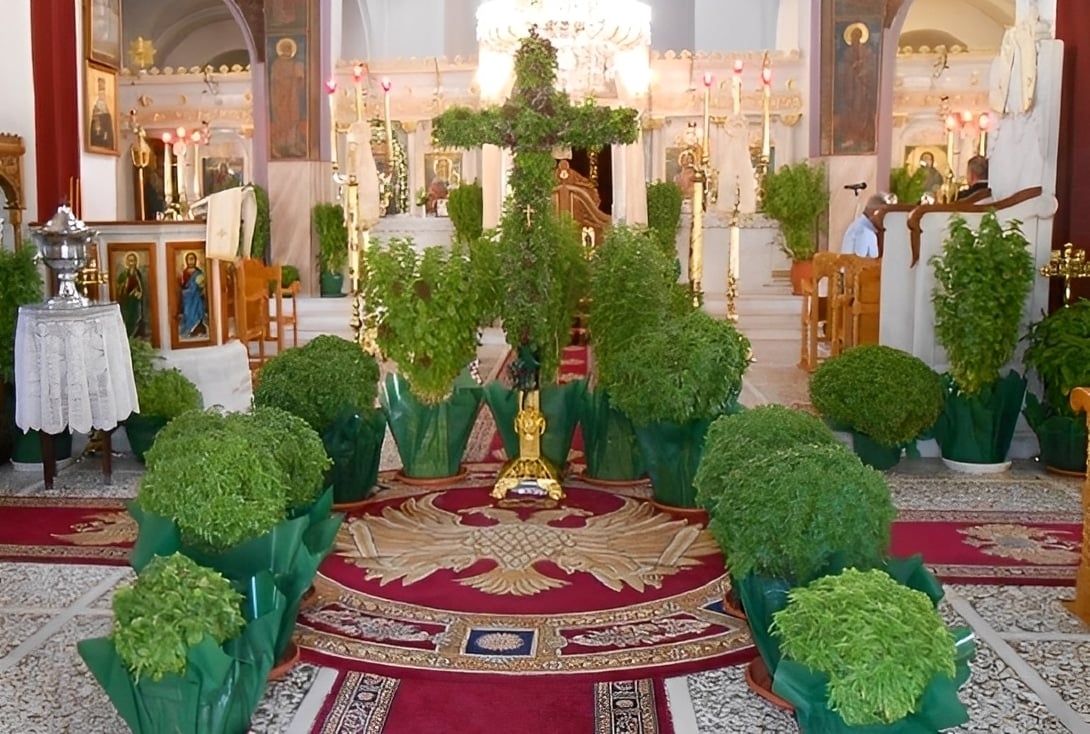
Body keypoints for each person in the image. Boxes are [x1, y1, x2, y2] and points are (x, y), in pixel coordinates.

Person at [840, 194, 886, 258]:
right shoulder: (864, 230)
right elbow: (859, 261)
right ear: (875, 212)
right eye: (883, 215)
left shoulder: (860, 227)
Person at [117, 252, 146, 338]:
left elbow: (141, 287)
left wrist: (139, 292)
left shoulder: (138, 274)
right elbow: (119, 287)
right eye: (129, 261)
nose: (131, 263)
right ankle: (128, 335)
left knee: (137, 317)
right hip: (127, 301)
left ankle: (135, 335)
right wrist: (124, 285)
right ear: (127, 262)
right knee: (128, 318)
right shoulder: (124, 274)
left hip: (135, 300)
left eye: (133, 261)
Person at [179, 251, 208, 338]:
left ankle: (198, 330)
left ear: (195, 260)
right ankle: (189, 330)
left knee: (198, 313)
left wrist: (201, 287)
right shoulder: (184, 272)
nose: (191, 261)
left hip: (196, 297)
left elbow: (202, 285)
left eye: (192, 259)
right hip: (188, 298)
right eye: (189, 259)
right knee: (188, 313)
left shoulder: (199, 272)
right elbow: (183, 285)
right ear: (186, 260)